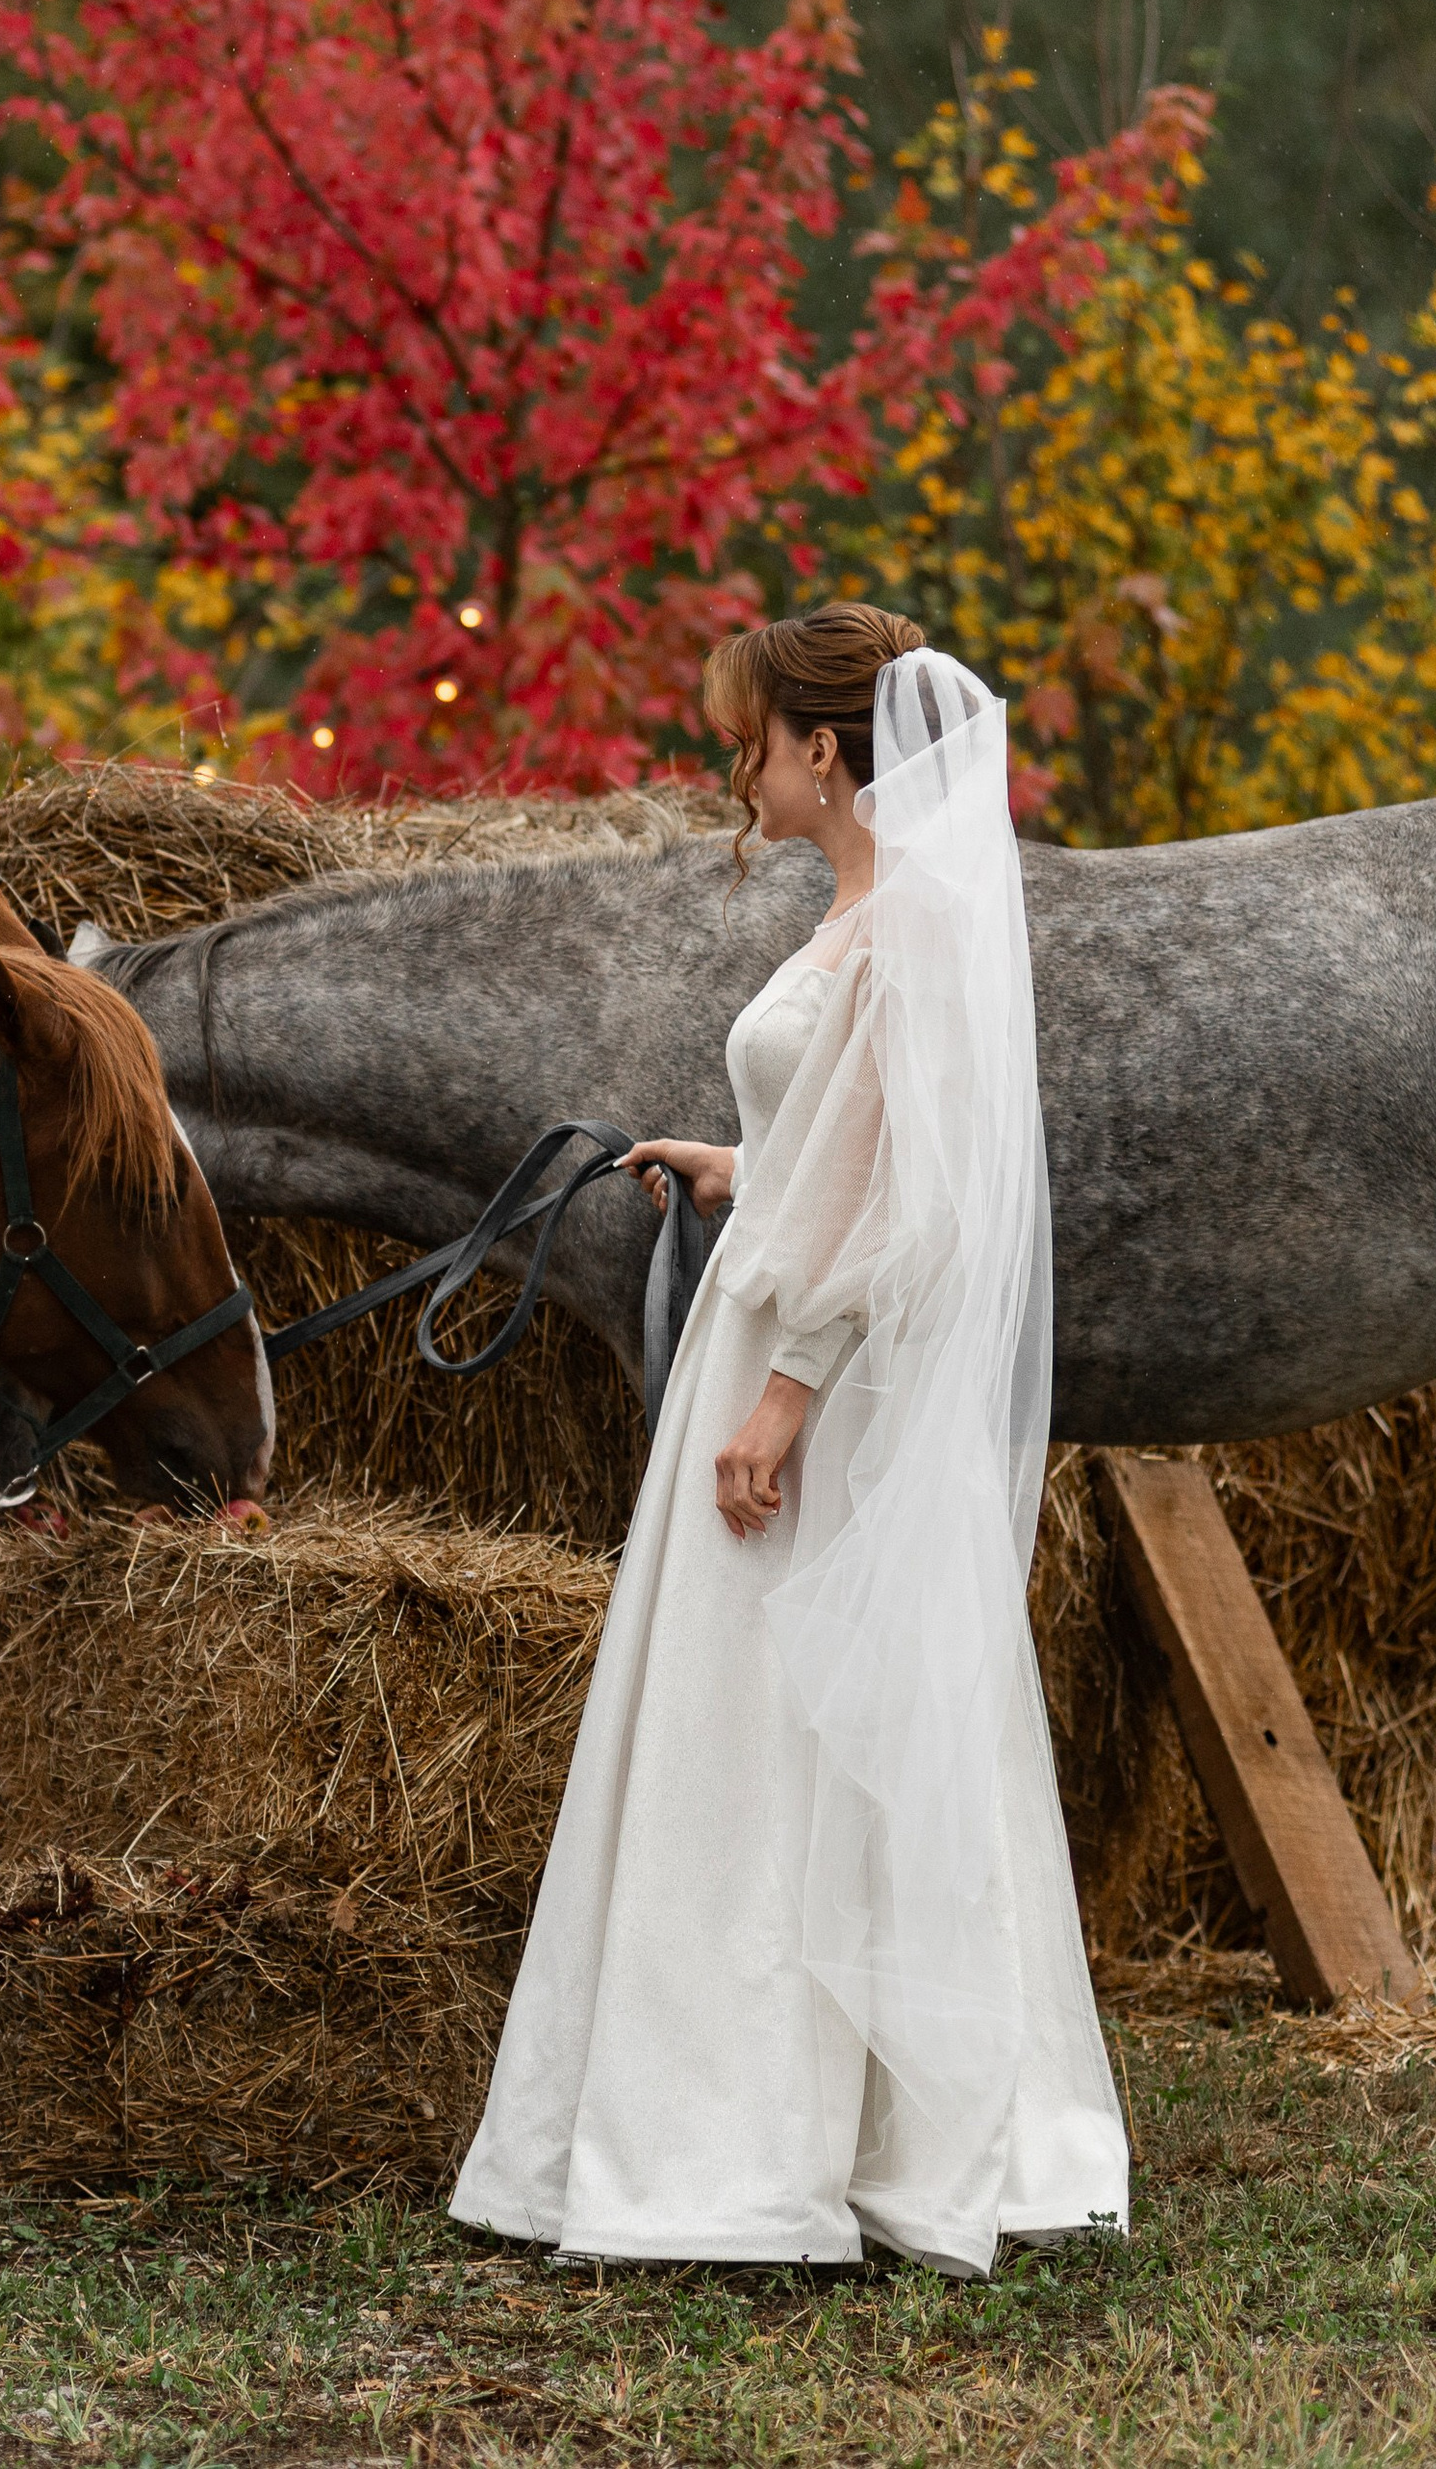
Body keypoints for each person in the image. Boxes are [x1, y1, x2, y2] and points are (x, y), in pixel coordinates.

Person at [450, 604, 1127, 2276]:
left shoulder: (911, 925)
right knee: (764, 1731)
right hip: (775, 1322)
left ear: (826, 751)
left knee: (784, 1731)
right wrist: (729, 1162)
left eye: (749, 738)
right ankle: (746, 2117)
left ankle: (753, 2147)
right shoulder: (861, 914)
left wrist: (786, 1395)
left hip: (816, 1370)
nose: (733, 769)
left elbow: (912, 1196)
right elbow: (837, 1146)